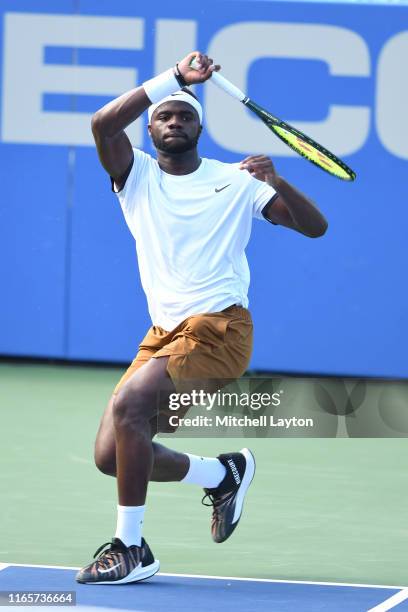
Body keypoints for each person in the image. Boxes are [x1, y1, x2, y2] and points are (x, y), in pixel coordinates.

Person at [76, 52, 328, 585]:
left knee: (129, 405)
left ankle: (129, 549)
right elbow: (102, 123)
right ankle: (222, 473)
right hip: (164, 334)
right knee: (111, 455)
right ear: (148, 128)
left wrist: (278, 181)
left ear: (199, 126)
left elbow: (315, 228)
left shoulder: (236, 182)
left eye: (184, 115)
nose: (173, 122)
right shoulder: (133, 173)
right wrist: (172, 79)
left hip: (221, 329)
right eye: (164, 116)